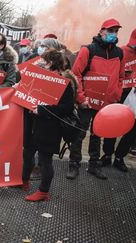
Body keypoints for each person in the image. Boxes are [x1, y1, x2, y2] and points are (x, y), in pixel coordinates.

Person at [67, 19, 125, 180]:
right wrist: (81, 98)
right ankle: (74, 164)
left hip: (106, 104)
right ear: (101, 31)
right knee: (80, 134)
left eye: (116, 31)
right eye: (110, 30)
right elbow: (75, 74)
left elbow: (121, 77)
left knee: (98, 134)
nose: (113, 33)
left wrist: (117, 94)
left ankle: (94, 165)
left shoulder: (119, 53)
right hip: (87, 102)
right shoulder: (88, 50)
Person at [22, 49, 76, 201]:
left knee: (45, 160)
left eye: (43, 62)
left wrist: (41, 109)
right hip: (32, 124)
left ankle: (43, 192)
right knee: (27, 154)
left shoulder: (63, 83)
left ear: (51, 63)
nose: (40, 63)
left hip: (49, 129)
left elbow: (67, 108)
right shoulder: (38, 77)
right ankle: (24, 181)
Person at [100, 28, 136, 172]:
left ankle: (120, 157)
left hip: (134, 96)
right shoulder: (121, 51)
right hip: (120, 93)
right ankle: (107, 154)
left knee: (132, 129)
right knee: (113, 124)